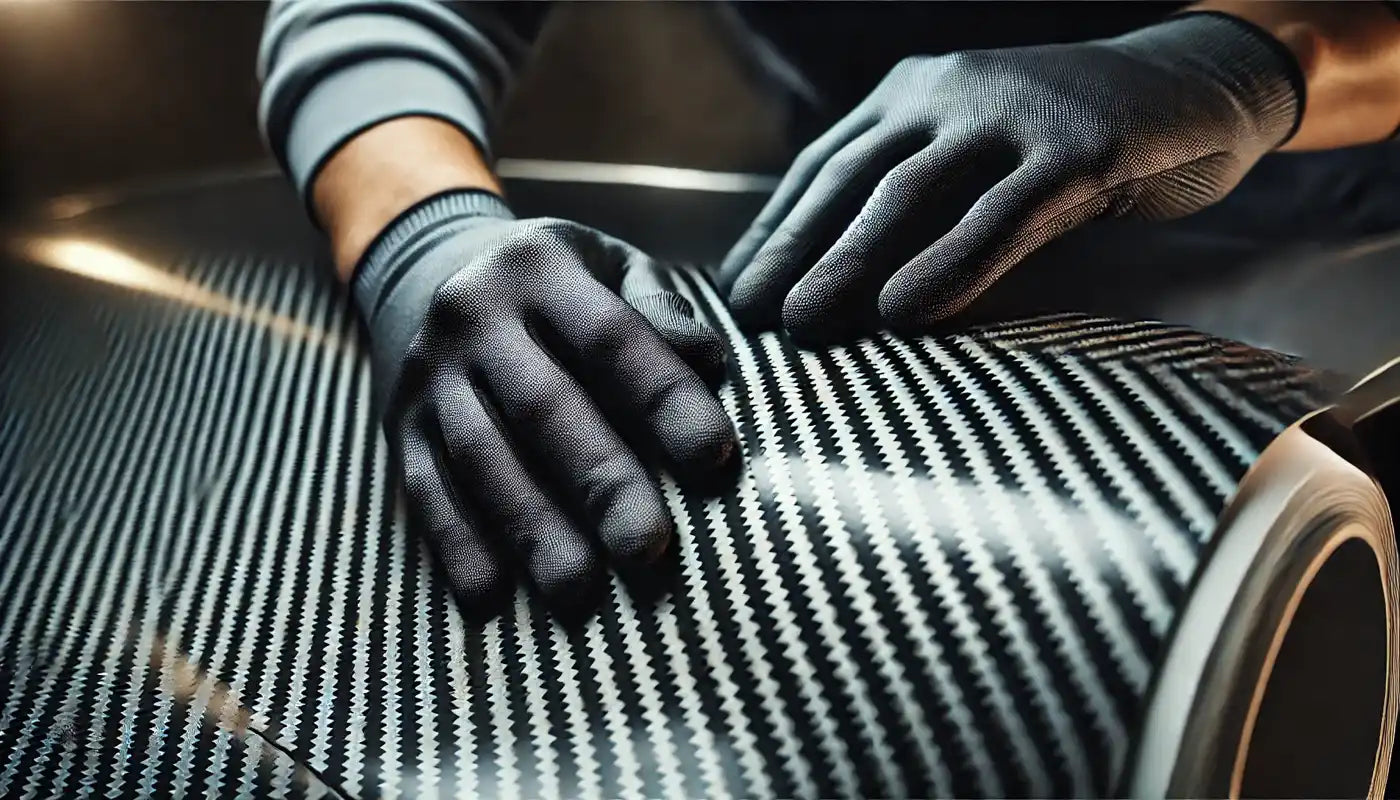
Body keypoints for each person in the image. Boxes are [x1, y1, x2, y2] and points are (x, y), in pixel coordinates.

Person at [257, 1, 1400, 607]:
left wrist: (1244, 64)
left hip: (1342, 264)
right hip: (883, 283)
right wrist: (424, 233)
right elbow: (377, 13)